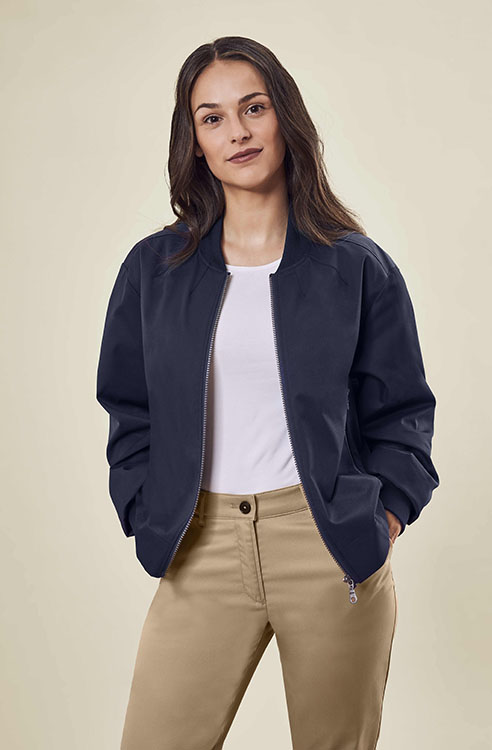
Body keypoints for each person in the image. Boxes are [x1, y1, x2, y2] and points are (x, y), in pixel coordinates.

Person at [96, 35, 439, 750]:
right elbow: (129, 406)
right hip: (200, 545)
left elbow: (403, 409)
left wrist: (384, 519)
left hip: (327, 543)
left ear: (285, 116)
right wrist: (141, 505)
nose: (238, 132)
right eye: (212, 118)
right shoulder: (153, 270)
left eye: (254, 108)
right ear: (194, 142)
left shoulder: (357, 266)